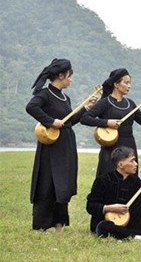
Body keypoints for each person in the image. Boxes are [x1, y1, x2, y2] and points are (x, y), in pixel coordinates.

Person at [26, 58, 96, 232]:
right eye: (69, 76)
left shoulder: (66, 97)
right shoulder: (45, 94)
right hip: (50, 146)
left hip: (66, 145)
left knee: (63, 185)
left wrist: (86, 108)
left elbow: (70, 121)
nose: (71, 79)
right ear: (61, 75)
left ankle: (59, 226)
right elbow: (31, 107)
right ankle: (42, 226)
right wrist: (50, 121)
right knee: (47, 184)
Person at [81, 68, 141, 177]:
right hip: (112, 146)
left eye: (130, 83)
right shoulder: (105, 102)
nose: (129, 86)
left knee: (129, 181)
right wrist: (107, 122)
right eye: (126, 82)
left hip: (129, 144)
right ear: (116, 84)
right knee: (111, 178)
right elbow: (85, 118)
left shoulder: (130, 104)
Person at [86, 146, 141, 240]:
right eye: (132, 161)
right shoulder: (103, 180)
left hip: (126, 224)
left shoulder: (134, 181)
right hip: (106, 221)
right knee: (103, 226)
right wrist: (109, 208)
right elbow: (90, 206)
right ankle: (133, 236)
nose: (136, 164)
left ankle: (135, 234)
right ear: (121, 164)